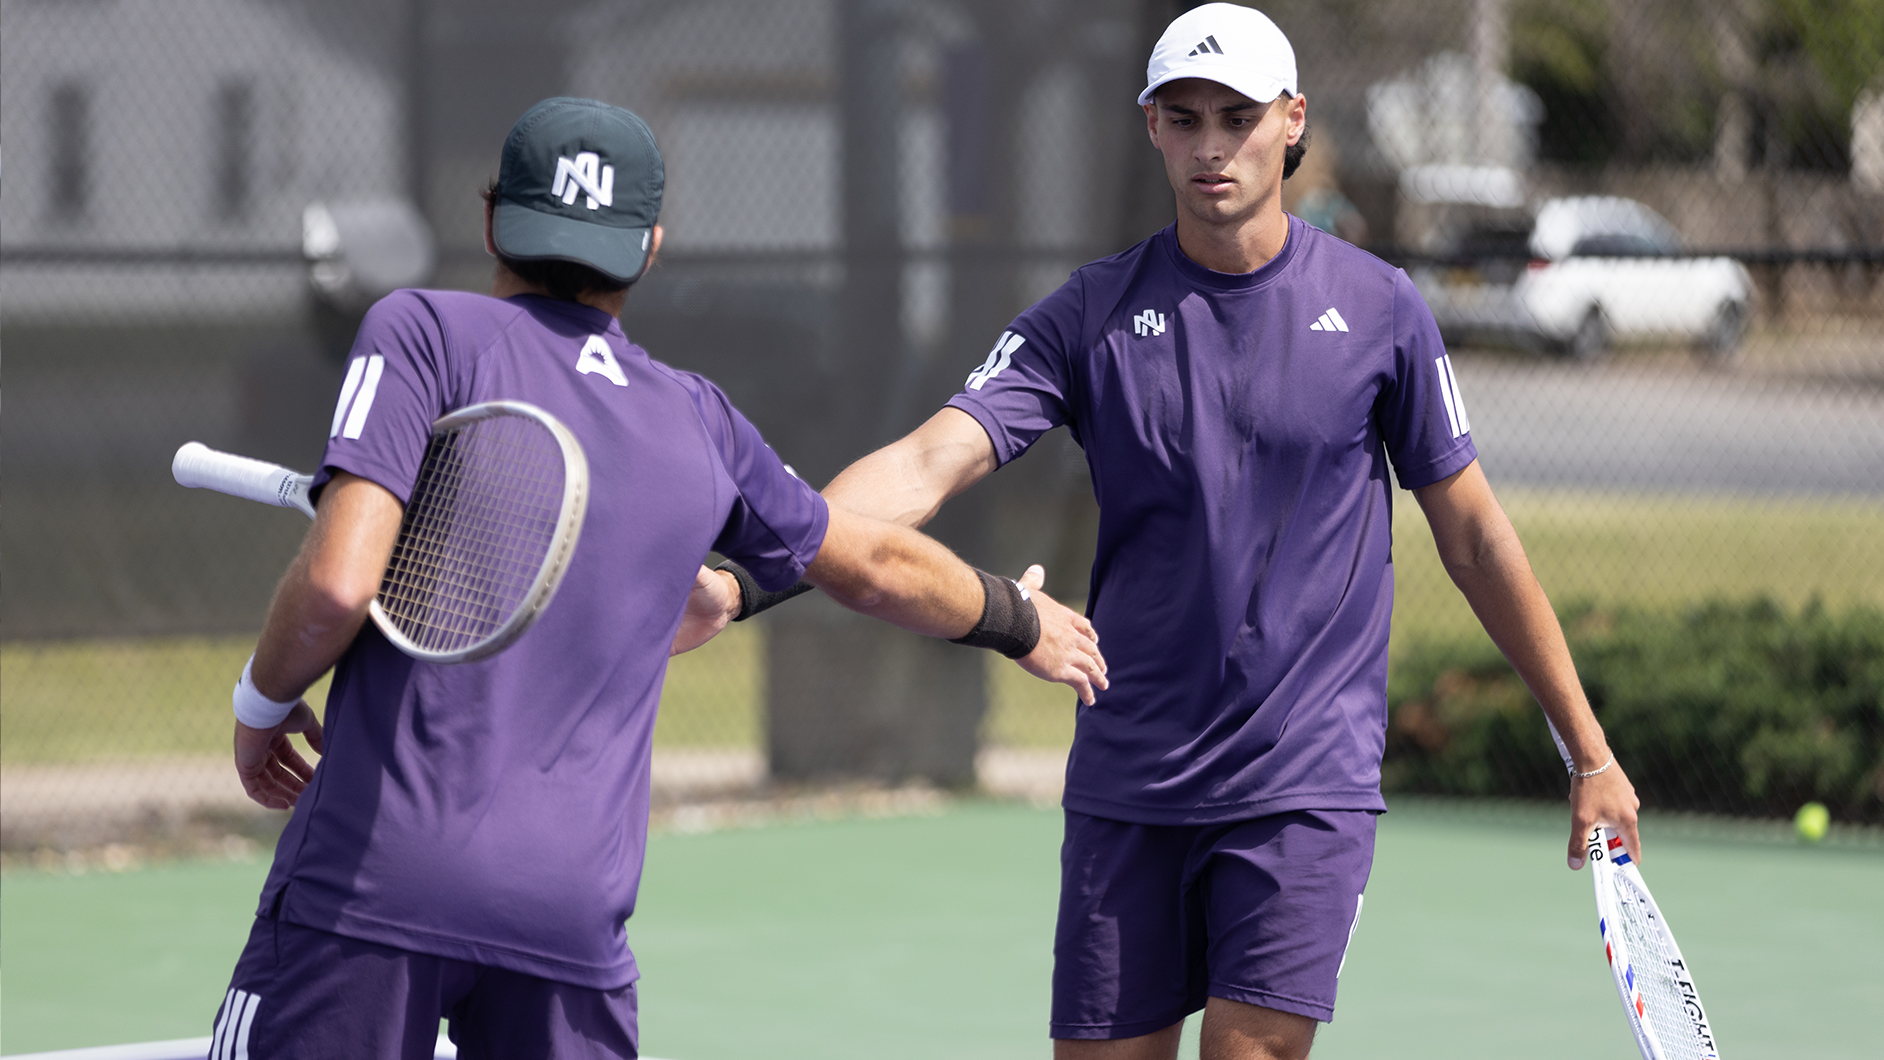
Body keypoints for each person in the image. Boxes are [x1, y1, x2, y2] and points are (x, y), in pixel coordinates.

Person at [807, 7, 1643, 1060]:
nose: (1212, 144)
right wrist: (764, 558)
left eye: (1239, 117)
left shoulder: (1381, 311)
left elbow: (1474, 538)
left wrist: (1589, 751)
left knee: (1250, 1048)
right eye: (1185, 117)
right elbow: (929, 460)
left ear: (1291, 122)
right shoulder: (1089, 315)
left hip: (1304, 779)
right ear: (1150, 127)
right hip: (1131, 775)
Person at [209, 96, 1105, 1060]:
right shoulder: (697, 418)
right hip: (569, 925)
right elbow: (872, 561)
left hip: (370, 888)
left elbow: (341, 587)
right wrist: (1020, 618)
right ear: (649, 247)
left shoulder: (420, 330)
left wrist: (260, 706)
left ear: (490, 218)